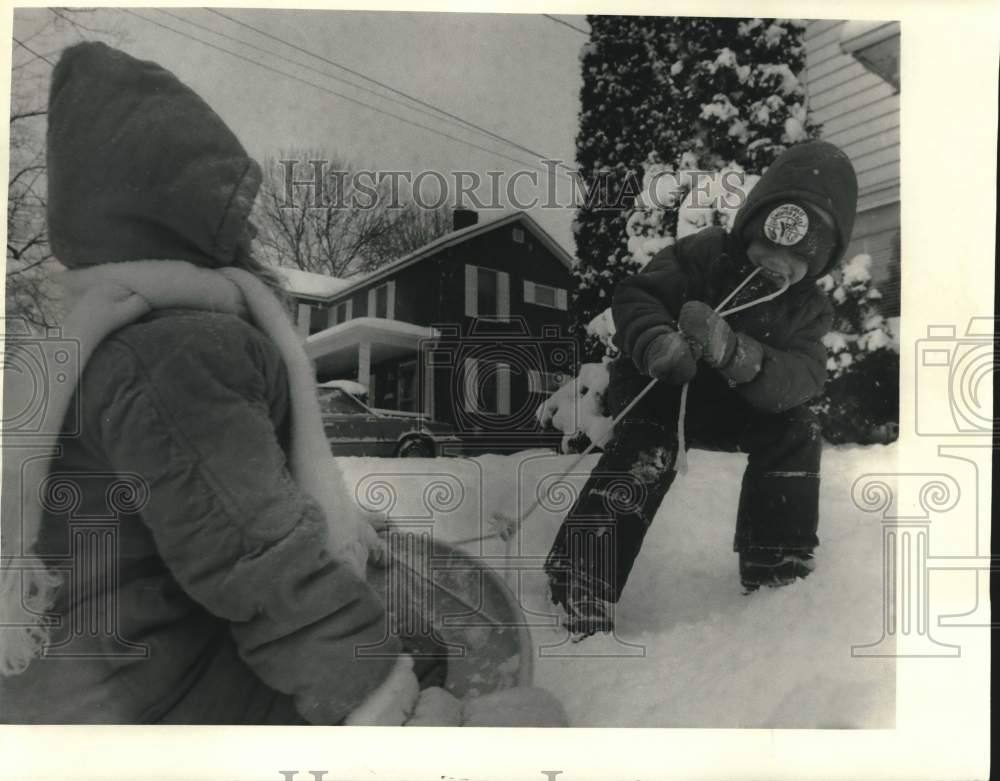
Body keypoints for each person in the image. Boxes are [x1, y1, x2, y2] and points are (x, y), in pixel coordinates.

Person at [0, 42, 419, 724]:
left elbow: (204, 505)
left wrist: (332, 518)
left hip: (67, 677)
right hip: (151, 702)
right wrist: (376, 694)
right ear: (181, 210)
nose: (248, 223)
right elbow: (256, 556)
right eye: (229, 203)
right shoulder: (182, 351)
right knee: (512, 706)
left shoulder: (95, 335)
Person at [544, 140, 858, 636]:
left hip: (737, 401)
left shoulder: (808, 309)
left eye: (800, 256)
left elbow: (803, 376)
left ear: (821, 263)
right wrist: (655, 343)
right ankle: (582, 573)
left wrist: (740, 356)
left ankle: (776, 564)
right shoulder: (708, 253)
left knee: (796, 426)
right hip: (661, 384)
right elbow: (638, 295)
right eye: (770, 242)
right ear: (751, 225)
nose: (779, 261)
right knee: (648, 445)